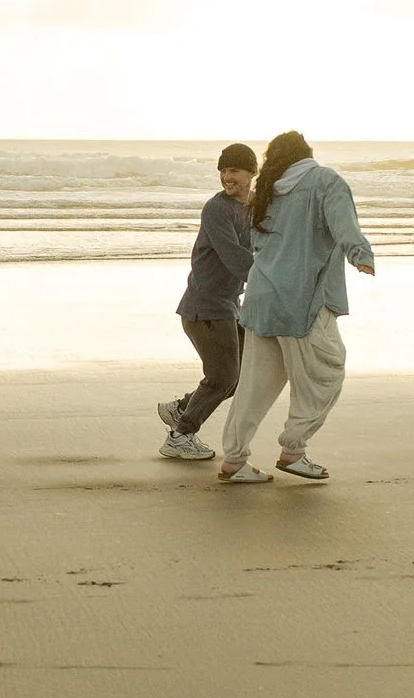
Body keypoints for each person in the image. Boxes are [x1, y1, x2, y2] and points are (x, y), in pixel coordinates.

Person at [217, 131, 374, 484]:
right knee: (327, 373)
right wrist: (361, 255)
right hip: (302, 299)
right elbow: (344, 224)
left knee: (254, 386)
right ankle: (293, 449)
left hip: (261, 297)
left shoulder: (267, 189)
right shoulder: (326, 180)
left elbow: (257, 242)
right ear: (307, 154)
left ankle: (234, 459)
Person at [156, 143, 257, 460]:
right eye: (223, 171)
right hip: (205, 308)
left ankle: (183, 408)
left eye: (234, 170)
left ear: (251, 173)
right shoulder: (216, 209)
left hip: (228, 306)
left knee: (240, 377)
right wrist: (275, 279)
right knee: (223, 377)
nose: (227, 177)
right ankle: (180, 435)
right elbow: (235, 259)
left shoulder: (253, 207)